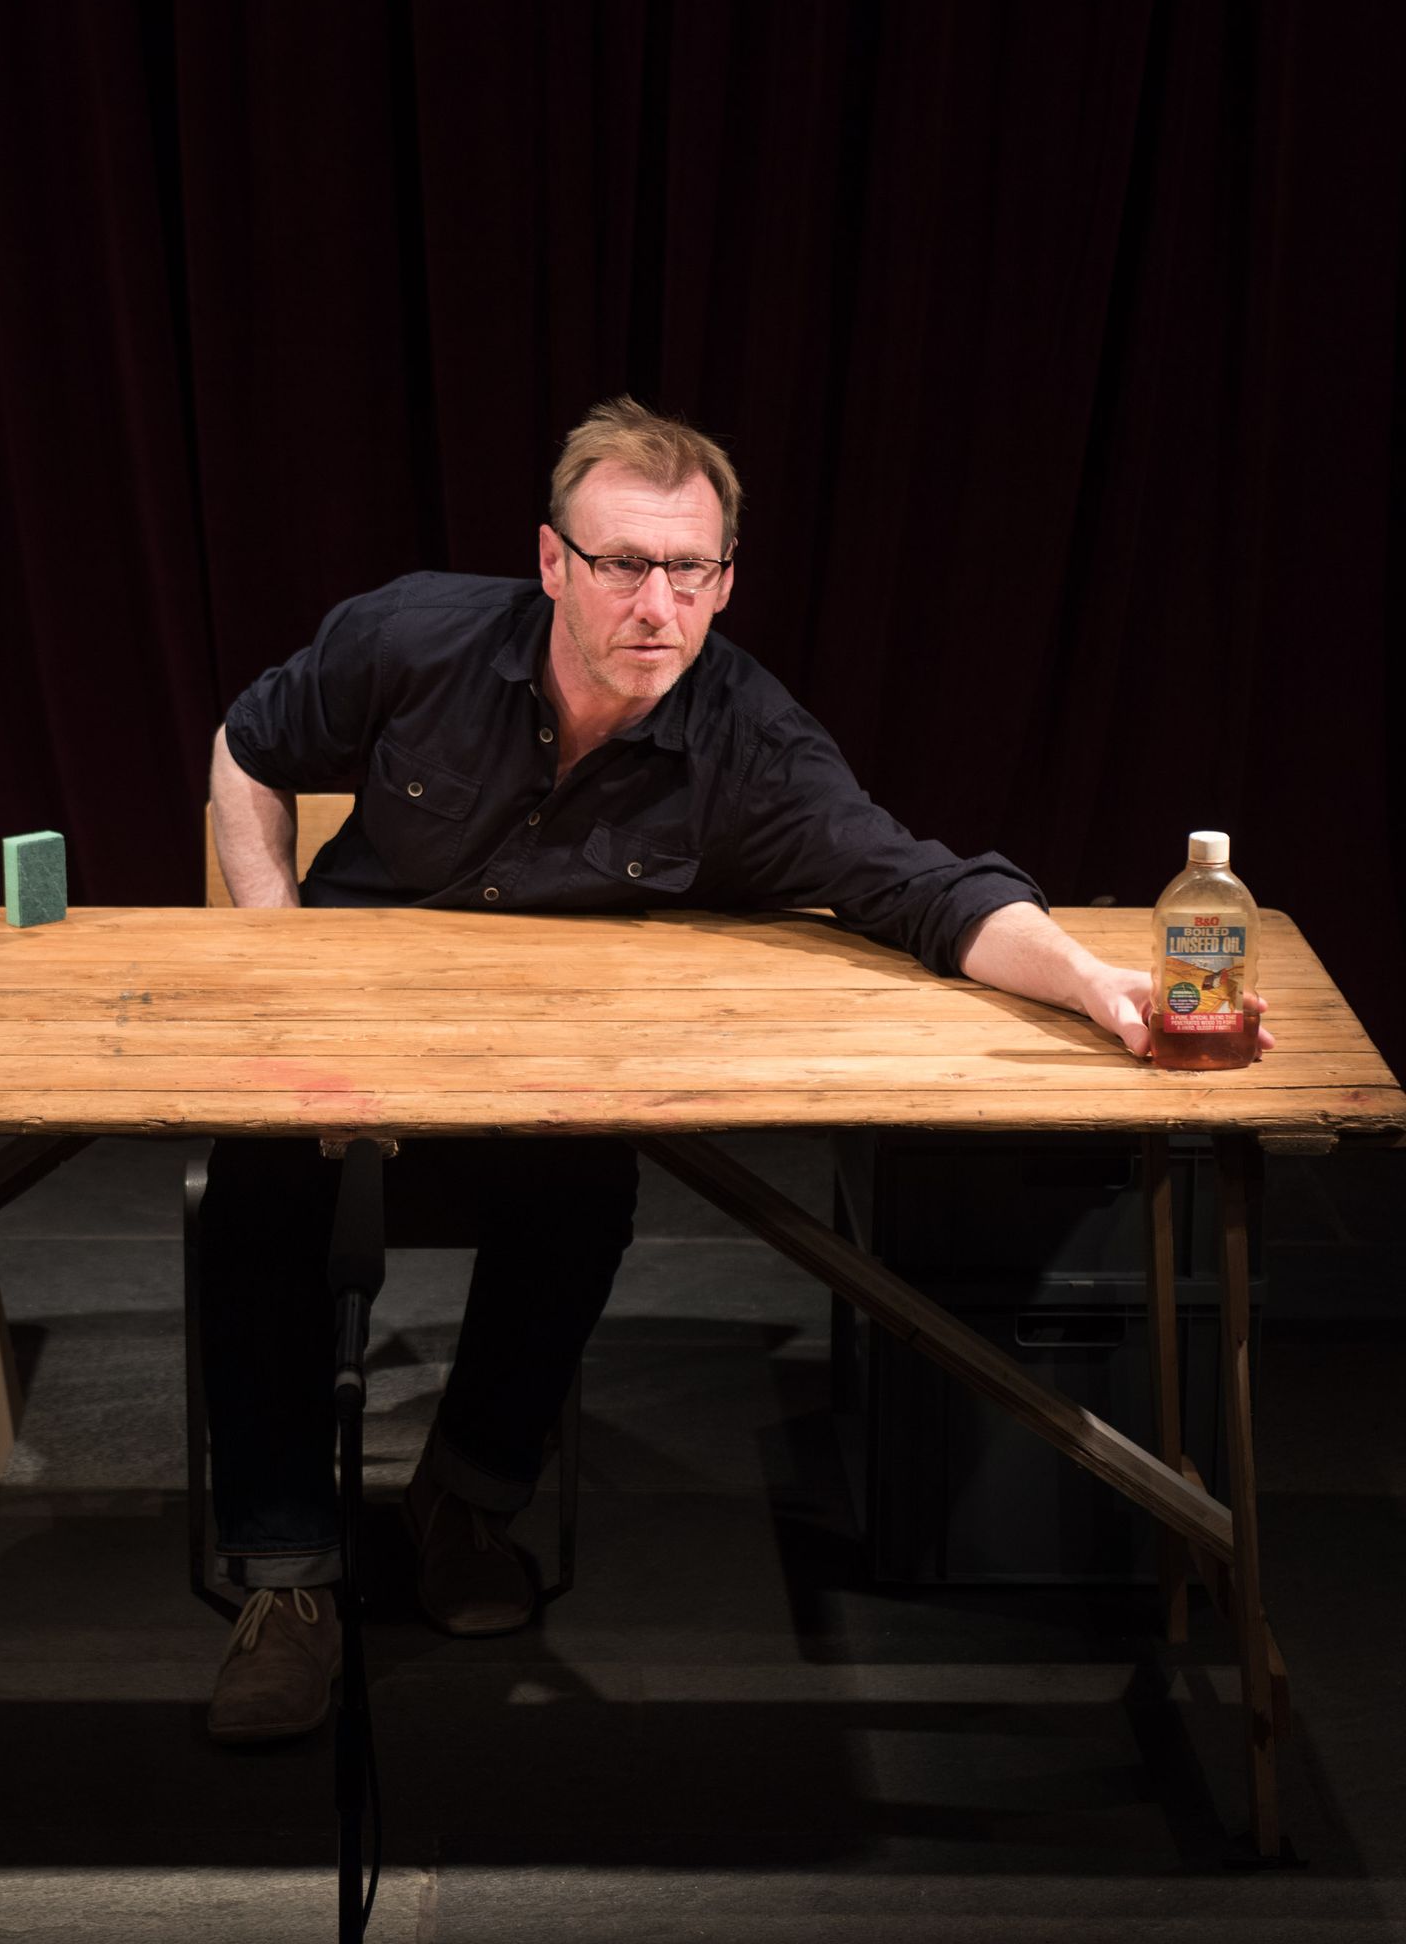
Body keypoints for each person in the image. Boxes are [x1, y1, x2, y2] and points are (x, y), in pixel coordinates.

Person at [197, 396, 1269, 1743]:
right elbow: (250, 747)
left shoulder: (750, 745)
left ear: (724, 581)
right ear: (551, 563)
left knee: (585, 1187)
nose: (657, 604)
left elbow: (926, 891)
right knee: (255, 1189)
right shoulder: (412, 637)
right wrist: (275, 962)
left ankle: (466, 1501)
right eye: (622, 565)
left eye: (689, 571)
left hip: (548, 1072)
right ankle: (287, 1577)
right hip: (350, 1039)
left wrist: (1101, 986)